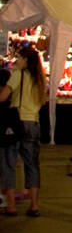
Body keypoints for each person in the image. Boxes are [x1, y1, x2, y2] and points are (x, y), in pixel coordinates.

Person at [0, 44, 47, 215]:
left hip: (16, 122)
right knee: (32, 165)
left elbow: (3, 96)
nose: (16, 60)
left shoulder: (17, 75)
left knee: (8, 163)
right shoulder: (40, 79)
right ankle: (34, 205)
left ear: (26, 60)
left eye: (19, 57)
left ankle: (11, 206)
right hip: (33, 122)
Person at [0, 67, 24, 215]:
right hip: (12, 140)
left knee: (6, 171)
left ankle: (9, 204)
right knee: (9, 171)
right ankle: (11, 205)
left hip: (3, 141)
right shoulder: (13, 102)